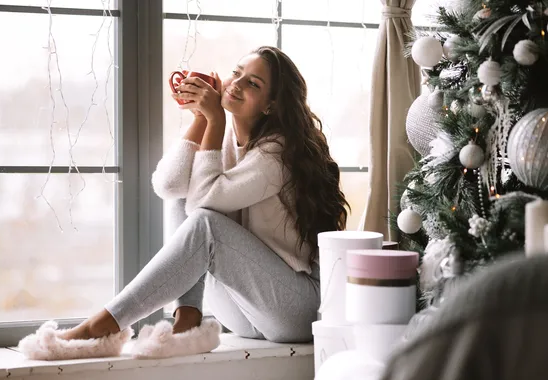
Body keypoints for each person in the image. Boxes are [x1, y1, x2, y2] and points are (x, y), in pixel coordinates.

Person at [18, 46, 349, 360]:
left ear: (271, 105)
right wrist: (201, 120)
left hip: (293, 309)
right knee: (183, 200)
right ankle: (187, 319)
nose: (236, 84)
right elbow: (168, 187)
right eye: (236, 74)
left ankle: (102, 326)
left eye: (253, 83)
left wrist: (215, 119)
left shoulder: (278, 152)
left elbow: (204, 204)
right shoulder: (234, 140)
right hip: (248, 310)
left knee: (205, 222)